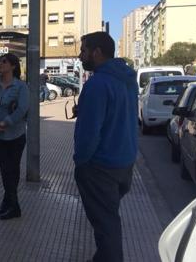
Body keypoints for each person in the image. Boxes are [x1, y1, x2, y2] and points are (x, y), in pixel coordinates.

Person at [74, 32, 138, 262]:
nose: (80, 55)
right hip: (125, 162)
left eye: (83, 50)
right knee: (108, 218)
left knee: (106, 225)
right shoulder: (127, 79)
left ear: (97, 52)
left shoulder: (97, 84)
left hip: (100, 167)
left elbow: (89, 133)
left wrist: (80, 161)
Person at [0, 53, 29, 220]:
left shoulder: (20, 86)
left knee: (12, 169)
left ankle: (13, 205)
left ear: (13, 66)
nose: (0, 64)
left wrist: (6, 122)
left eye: (4, 62)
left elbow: (22, 109)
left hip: (15, 135)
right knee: (4, 169)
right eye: (0, 62)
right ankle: (8, 201)